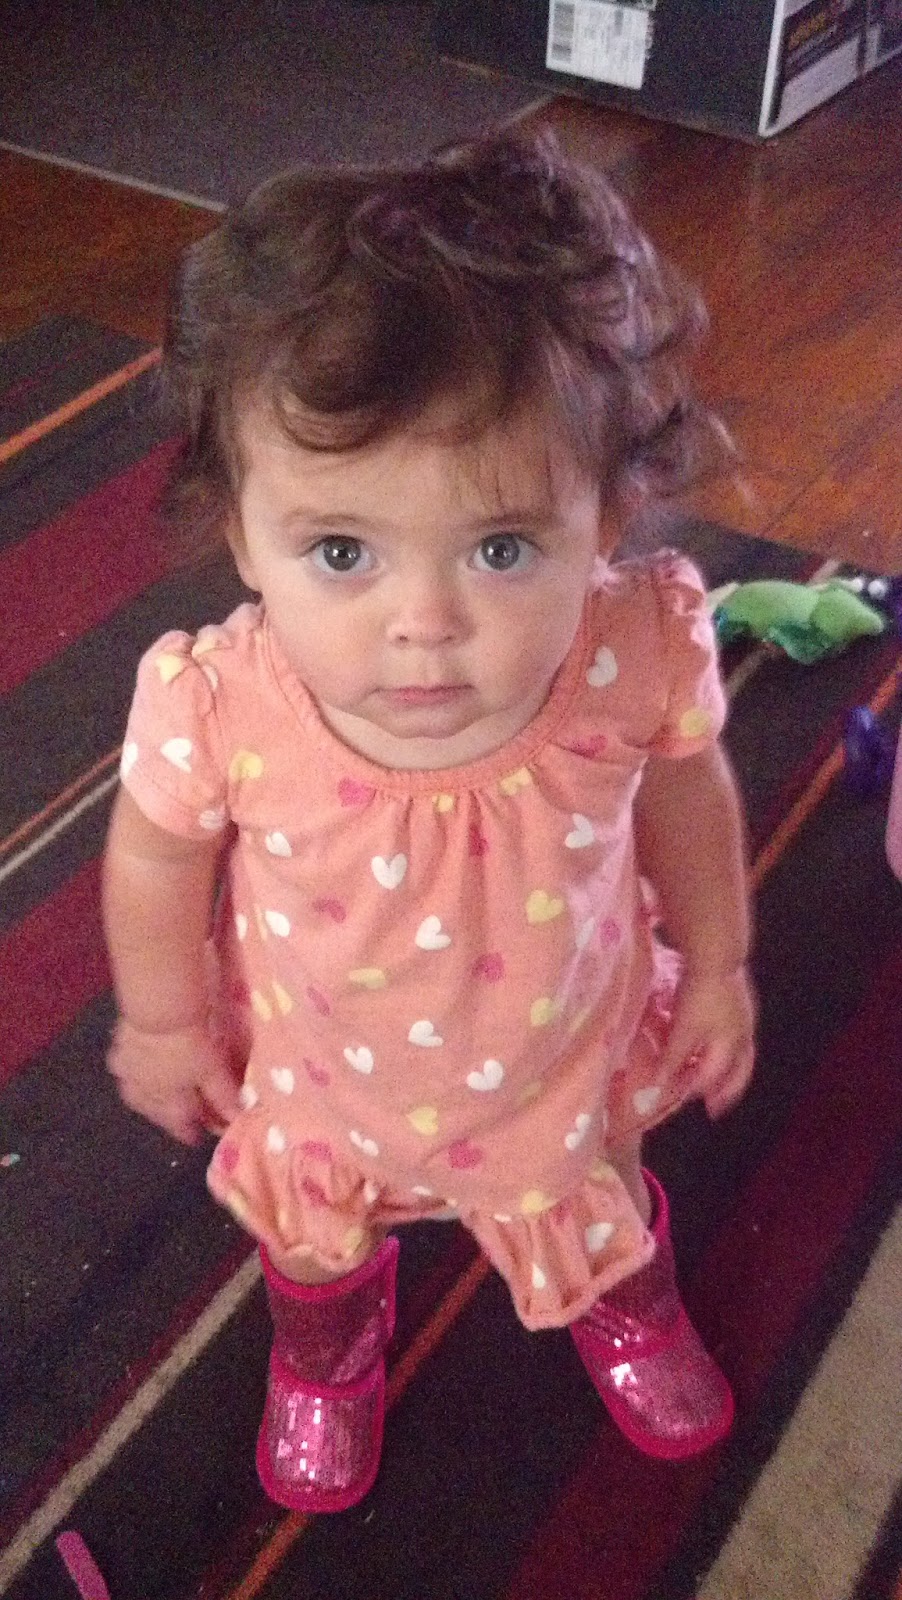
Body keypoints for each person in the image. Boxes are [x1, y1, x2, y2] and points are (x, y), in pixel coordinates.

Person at [102, 128, 756, 1513]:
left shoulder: (632, 649)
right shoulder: (218, 701)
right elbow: (156, 853)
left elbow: (688, 793)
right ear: (243, 536)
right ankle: (328, 1346)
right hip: (325, 1070)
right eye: (341, 551)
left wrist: (717, 959)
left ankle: (622, 1297)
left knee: (600, 1171)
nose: (423, 624)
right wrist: (161, 1020)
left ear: (606, 517)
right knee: (315, 1231)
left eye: (501, 547)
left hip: (564, 1042)